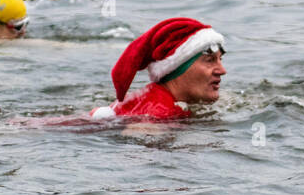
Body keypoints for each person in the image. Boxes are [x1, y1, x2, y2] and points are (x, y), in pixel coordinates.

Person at [90, 17, 226, 120]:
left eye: (220, 60)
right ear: (178, 68)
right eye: (210, 60)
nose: (222, 70)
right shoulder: (158, 115)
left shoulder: (154, 97)